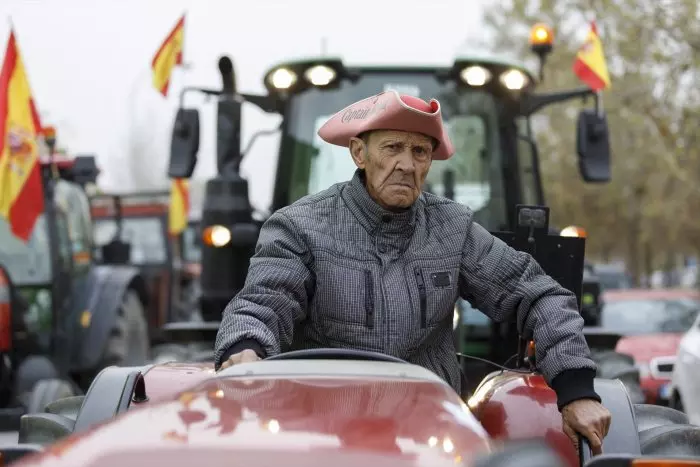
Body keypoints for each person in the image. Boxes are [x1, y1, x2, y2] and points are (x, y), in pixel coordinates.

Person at [214, 90, 611, 453]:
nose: (407, 164)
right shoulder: (300, 227)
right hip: (323, 431)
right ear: (359, 153)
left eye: (420, 152)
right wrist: (245, 347)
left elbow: (539, 294)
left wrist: (576, 388)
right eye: (393, 148)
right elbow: (264, 302)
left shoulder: (452, 230)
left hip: (431, 431)